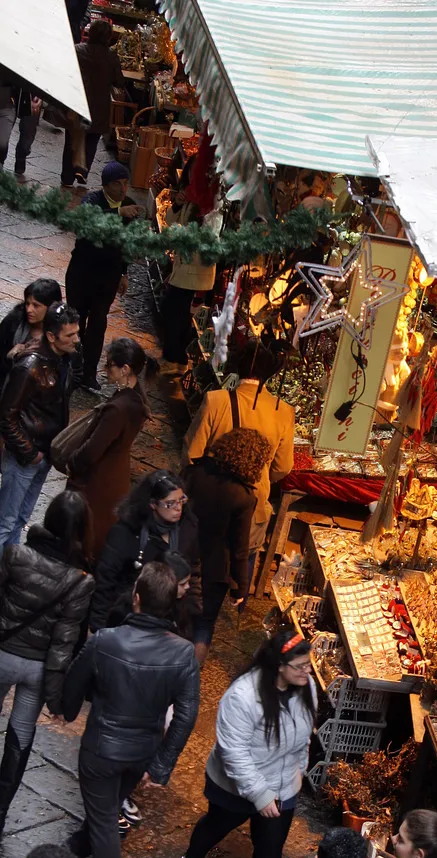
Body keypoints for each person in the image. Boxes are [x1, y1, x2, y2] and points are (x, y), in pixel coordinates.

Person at [63, 562, 200, 858]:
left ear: (136, 599)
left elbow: (74, 681)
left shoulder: (106, 640)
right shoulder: (184, 653)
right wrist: (161, 764)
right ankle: (74, 848)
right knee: (105, 808)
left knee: (105, 816)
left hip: (101, 748)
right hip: (142, 752)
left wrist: (67, 708)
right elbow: (186, 715)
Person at [176, 630, 316, 858]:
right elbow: (234, 751)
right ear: (279, 666)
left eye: (308, 664)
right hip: (235, 786)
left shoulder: (305, 686)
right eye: (300, 666)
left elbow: (306, 730)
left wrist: (300, 766)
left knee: (270, 847)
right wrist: (259, 794)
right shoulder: (243, 695)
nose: (306, 671)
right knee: (216, 826)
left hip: (282, 786)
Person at [0, 491, 94, 834]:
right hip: (37, 670)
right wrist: (57, 700)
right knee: (20, 740)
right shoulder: (81, 581)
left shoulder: (16, 555)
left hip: (2, 654)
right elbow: (63, 645)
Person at [183, 339, 295, 595]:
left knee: (194, 570)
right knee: (241, 560)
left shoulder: (216, 400)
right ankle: (235, 597)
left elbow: (192, 453)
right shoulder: (284, 411)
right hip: (253, 503)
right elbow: (283, 467)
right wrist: (261, 474)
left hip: (208, 501)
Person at [0, 302, 79, 555]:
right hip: (27, 456)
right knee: (6, 521)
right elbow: (6, 416)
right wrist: (29, 453)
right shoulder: (30, 366)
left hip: (42, 454)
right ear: (51, 336)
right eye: (70, 335)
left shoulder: (63, 360)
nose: (76, 339)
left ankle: (8, 568)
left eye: (77, 333)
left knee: (21, 517)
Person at [187, 427, 271, 665]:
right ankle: (190, 675)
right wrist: (240, 587)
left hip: (181, 554)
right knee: (203, 624)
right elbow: (239, 547)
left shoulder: (194, 472)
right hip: (214, 569)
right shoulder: (244, 497)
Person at [67, 337, 156, 556]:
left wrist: (73, 462)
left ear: (125, 369)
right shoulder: (136, 399)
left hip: (99, 480)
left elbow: (92, 450)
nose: (105, 369)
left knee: (86, 537)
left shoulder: (119, 409)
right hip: (115, 476)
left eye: (109, 365)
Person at [90, 469, 201, 632]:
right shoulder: (126, 532)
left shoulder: (188, 528)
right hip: (127, 619)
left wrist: (193, 619)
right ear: (153, 504)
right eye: (170, 503)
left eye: (181, 500)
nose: (178, 508)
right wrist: (97, 627)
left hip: (170, 622)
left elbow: (194, 569)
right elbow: (105, 580)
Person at [65, 161, 141, 392]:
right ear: (106, 185)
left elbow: (127, 244)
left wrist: (124, 273)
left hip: (107, 277)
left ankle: (88, 373)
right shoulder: (92, 200)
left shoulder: (130, 206)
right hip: (82, 272)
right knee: (76, 321)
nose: (122, 188)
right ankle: (72, 368)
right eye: (117, 183)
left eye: (125, 183)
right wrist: (118, 212)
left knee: (98, 324)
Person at [160, 175, 217, 375]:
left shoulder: (209, 202)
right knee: (176, 312)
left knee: (175, 311)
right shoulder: (191, 197)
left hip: (195, 269)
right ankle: (174, 358)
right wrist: (177, 204)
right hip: (183, 266)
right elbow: (170, 220)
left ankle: (175, 359)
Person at [62, 19, 125, 186]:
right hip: (100, 105)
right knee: (92, 140)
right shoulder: (111, 57)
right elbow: (119, 81)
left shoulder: (77, 50)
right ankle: (82, 171)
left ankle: (67, 177)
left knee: (72, 139)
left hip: (78, 101)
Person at [0, 278, 62, 382]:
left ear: (51, 307)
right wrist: (9, 357)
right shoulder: (14, 320)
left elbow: (73, 371)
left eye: (36, 306)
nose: (29, 310)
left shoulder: (63, 330)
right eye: (27, 304)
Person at [0, 78, 42, 180]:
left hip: (32, 92)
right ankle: (1, 161)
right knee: (2, 135)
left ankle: (21, 156)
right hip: (9, 93)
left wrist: (40, 96)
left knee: (26, 141)